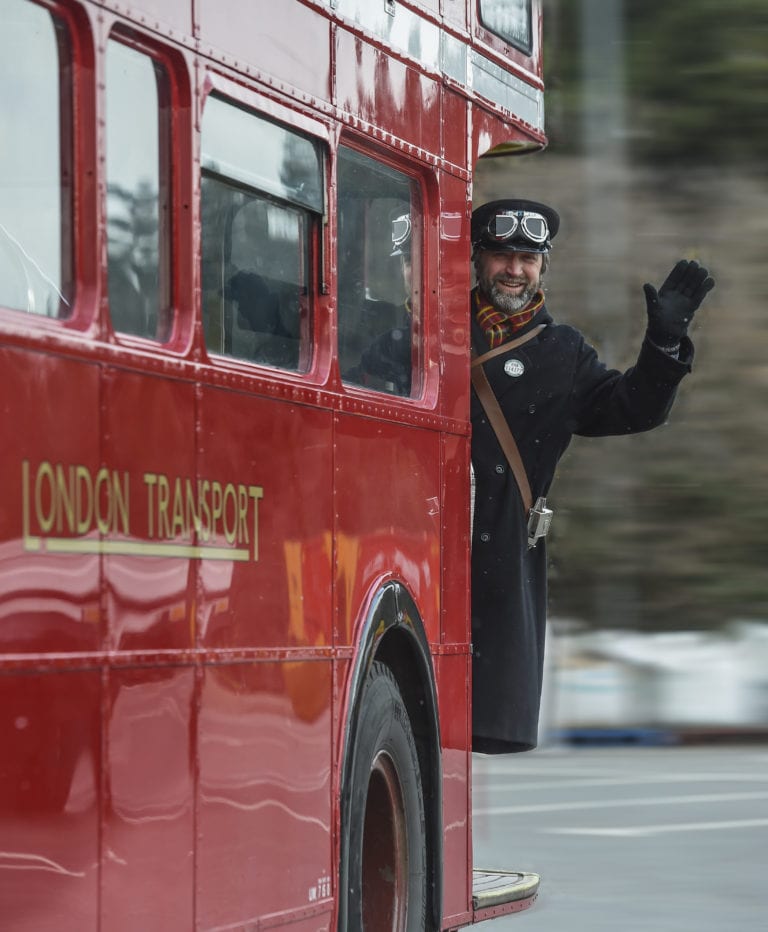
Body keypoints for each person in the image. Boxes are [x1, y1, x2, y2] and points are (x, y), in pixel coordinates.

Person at [469, 198, 715, 754]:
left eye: (528, 258)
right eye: (502, 255)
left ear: (543, 267)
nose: (515, 268)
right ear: (478, 260)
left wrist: (663, 345)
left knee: (470, 727)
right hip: (423, 541)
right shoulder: (430, 327)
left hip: (504, 557)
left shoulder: (565, 351)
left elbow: (635, 409)